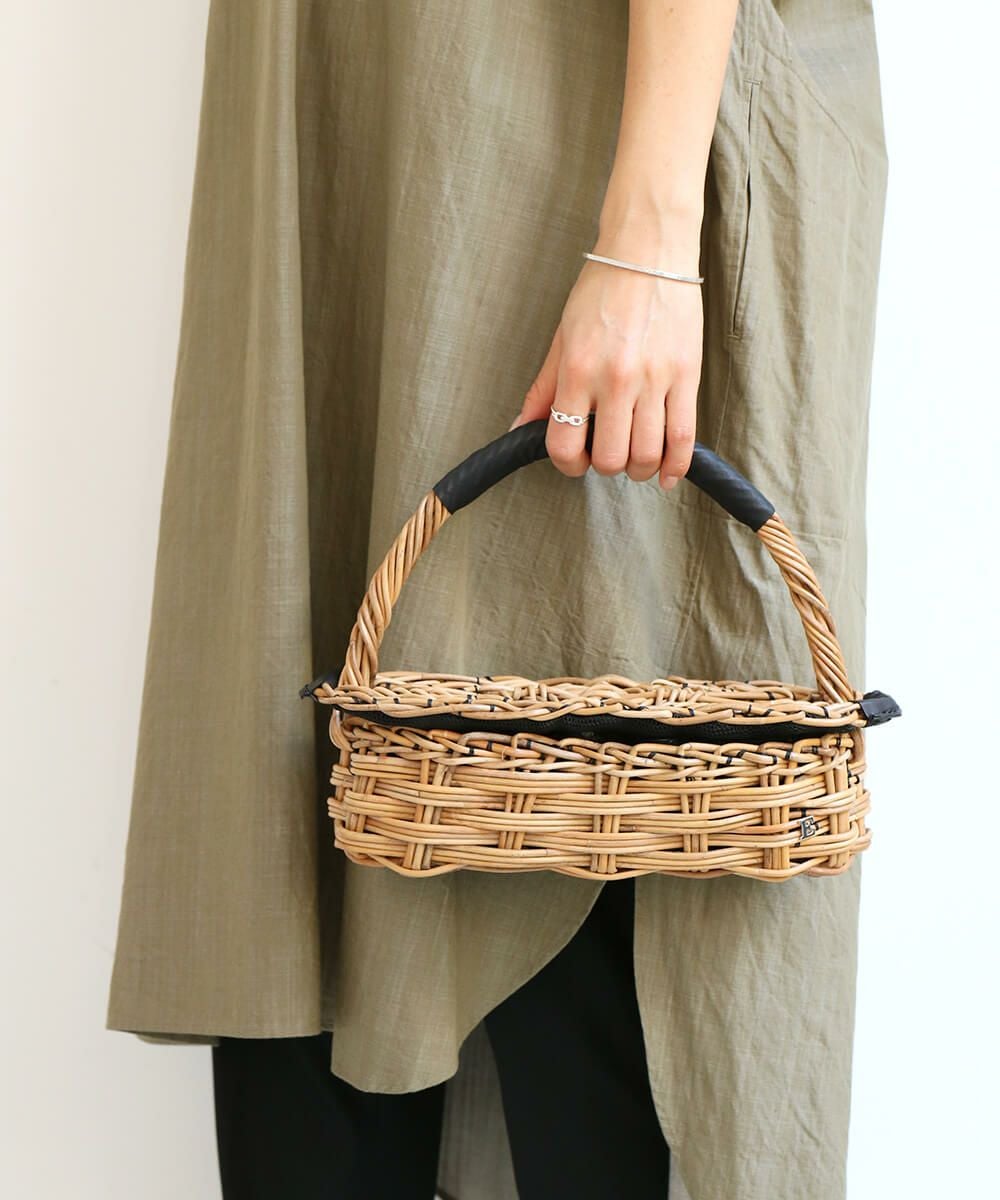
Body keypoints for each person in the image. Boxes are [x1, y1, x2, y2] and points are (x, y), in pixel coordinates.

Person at [105, 2, 890, 1197]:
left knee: (599, 782)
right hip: (344, 102)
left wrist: (649, 236)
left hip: (573, 116)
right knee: (334, 780)